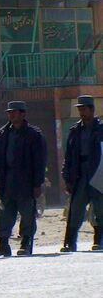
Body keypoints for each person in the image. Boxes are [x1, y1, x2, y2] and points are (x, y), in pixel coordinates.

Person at [0, 101, 47, 257]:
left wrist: (37, 183)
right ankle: (3, 244)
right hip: (7, 180)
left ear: (23, 114)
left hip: (26, 181)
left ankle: (26, 242)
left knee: (27, 213)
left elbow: (40, 161)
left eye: (15, 112)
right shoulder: (2, 134)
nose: (11, 115)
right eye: (9, 112)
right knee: (4, 213)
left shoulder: (33, 135)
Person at [62, 95, 103, 252]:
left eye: (84, 109)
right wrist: (67, 176)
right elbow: (69, 155)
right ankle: (70, 242)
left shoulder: (100, 128)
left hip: (98, 172)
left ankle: (99, 240)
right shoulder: (75, 130)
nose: (81, 112)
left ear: (92, 110)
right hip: (79, 174)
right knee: (75, 209)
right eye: (79, 109)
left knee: (100, 208)